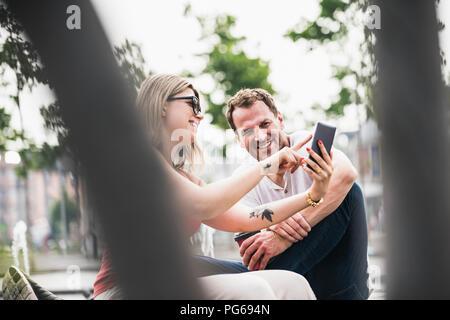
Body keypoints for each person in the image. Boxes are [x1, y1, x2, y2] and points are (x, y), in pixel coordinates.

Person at [93, 74, 334, 300]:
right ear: (162, 104)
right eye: (193, 104)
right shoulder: (140, 159)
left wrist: (313, 195)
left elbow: (248, 218)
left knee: (293, 284)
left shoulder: (185, 180)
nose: (200, 115)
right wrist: (268, 165)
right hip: (125, 290)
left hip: (166, 285)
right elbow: (202, 203)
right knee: (253, 290)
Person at [201, 88, 369, 300]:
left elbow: (347, 174)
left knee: (349, 193)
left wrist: (283, 236)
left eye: (265, 124)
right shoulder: (244, 177)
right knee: (189, 266)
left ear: (280, 120)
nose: (260, 136)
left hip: (340, 286)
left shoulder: (307, 144)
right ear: (238, 138)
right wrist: (272, 228)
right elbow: (254, 254)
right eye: (248, 131)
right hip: (281, 280)